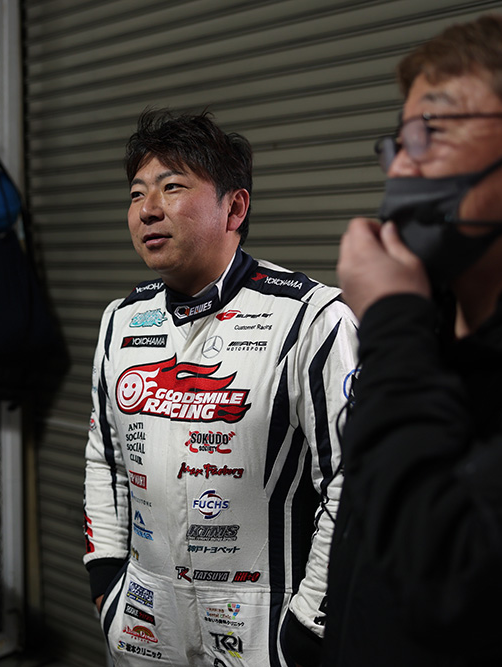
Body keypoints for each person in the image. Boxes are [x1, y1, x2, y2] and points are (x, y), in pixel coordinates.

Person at [324, 12, 502, 666]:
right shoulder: (430, 323)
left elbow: (450, 577)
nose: (402, 170)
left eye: (432, 134)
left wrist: (391, 321)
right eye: (400, 142)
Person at [83, 110, 358, 667]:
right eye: (136, 193)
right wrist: (107, 578)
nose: (148, 209)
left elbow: (354, 481)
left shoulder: (311, 319)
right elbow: (105, 461)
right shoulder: (121, 320)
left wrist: (310, 624)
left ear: (234, 208)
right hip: (143, 618)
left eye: (172, 187)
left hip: (264, 626)